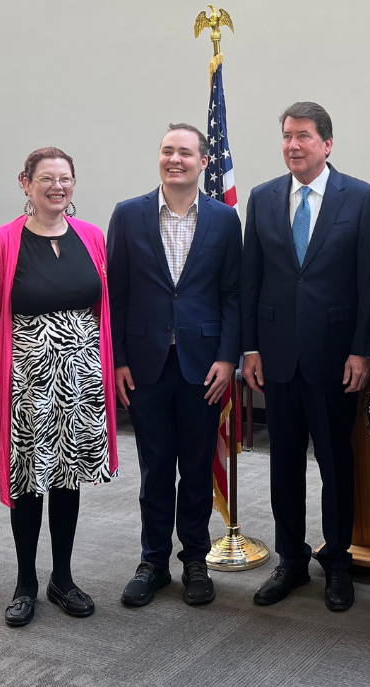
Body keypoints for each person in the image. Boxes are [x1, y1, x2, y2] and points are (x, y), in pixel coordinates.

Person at [241, 101, 370, 612]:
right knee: (283, 465)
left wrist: (361, 350)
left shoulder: (360, 198)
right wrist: (250, 347)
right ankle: (291, 559)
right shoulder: (261, 198)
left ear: (327, 143)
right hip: (275, 358)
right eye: (286, 136)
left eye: (303, 136)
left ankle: (338, 561)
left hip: (334, 362)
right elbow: (250, 278)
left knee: (334, 463)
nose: (293, 145)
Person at [0, 147, 119, 627]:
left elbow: (103, 310)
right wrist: (12, 377)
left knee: (67, 481)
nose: (58, 187)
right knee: (28, 484)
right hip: (26, 383)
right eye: (47, 179)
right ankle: (24, 584)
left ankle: (63, 578)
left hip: (80, 384)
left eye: (66, 179)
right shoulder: (1, 242)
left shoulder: (92, 237)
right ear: (26, 183)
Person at [107, 123, 241, 607]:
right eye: (167, 151)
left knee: (197, 466)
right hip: (144, 365)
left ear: (205, 161)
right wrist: (118, 360)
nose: (175, 159)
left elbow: (231, 295)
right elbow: (116, 296)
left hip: (204, 367)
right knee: (156, 466)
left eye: (185, 152)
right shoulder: (128, 215)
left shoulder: (225, 220)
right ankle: (154, 561)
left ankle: (195, 561)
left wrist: (228, 358)